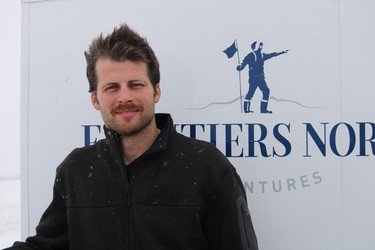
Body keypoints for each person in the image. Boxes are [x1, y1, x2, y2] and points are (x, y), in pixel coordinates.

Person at [5, 24, 258, 250]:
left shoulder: (207, 167)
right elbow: (46, 246)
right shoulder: (76, 171)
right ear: (95, 99)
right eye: (112, 87)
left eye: (135, 84)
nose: (124, 97)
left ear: (156, 91)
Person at [237, 41, 289, 114]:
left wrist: (282, 52)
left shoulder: (261, 55)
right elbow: (243, 63)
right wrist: (240, 67)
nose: (261, 47)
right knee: (252, 93)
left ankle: (262, 110)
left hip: (260, 78)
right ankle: (249, 110)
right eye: (261, 46)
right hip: (254, 78)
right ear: (258, 46)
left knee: (264, 91)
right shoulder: (252, 55)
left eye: (262, 46)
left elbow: (272, 55)